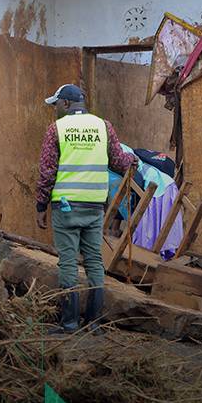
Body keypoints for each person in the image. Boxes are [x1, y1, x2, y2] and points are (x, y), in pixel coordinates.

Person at [36, 83, 136, 333]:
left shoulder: (57, 129)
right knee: (94, 262)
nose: (55, 109)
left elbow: (47, 171)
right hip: (94, 208)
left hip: (66, 207)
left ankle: (69, 322)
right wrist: (134, 160)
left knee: (68, 262)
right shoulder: (104, 126)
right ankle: (93, 324)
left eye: (57, 104)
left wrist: (41, 204)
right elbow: (119, 161)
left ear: (67, 104)